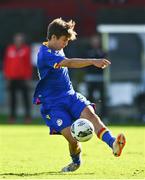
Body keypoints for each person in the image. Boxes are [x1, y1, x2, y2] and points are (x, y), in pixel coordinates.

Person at [33, 18, 126, 172]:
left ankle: (113, 143)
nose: (66, 44)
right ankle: (75, 161)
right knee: (72, 138)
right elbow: (68, 63)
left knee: (91, 115)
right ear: (53, 37)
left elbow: (67, 58)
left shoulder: (57, 47)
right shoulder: (45, 54)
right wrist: (92, 61)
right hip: (52, 104)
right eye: (64, 40)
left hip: (70, 96)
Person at [3, 33, 32, 124]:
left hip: (23, 78)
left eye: (20, 39)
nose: (18, 41)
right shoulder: (10, 49)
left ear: (22, 40)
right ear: (14, 40)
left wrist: (28, 76)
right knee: (12, 99)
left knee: (25, 98)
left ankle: (27, 117)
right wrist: (7, 76)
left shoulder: (26, 49)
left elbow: (28, 64)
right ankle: (12, 117)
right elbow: (6, 63)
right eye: (17, 39)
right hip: (12, 78)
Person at [84, 34, 107, 118]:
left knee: (102, 98)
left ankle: (104, 116)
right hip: (90, 78)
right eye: (94, 41)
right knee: (90, 98)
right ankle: (90, 115)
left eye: (97, 41)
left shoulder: (102, 52)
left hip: (100, 79)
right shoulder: (87, 51)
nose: (95, 42)